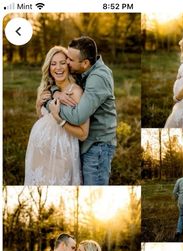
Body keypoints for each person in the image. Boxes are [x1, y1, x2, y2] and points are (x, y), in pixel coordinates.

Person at [44, 36, 117, 185]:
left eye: (69, 60)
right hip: (85, 145)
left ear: (85, 63)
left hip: (97, 147)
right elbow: (61, 82)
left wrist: (50, 105)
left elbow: (78, 116)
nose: (67, 63)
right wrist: (55, 91)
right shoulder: (85, 70)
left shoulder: (98, 78)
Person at [24, 46, 89, 185]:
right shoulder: (46, 89)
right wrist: (38, 106)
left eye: (62, 63)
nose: (58, 68)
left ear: (69, 65)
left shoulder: (76, 92)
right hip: (39, 154)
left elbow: (83, 134)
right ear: (49, 68)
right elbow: (43, 121)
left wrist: (59, 118)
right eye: (53, 64)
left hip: (61, 154)